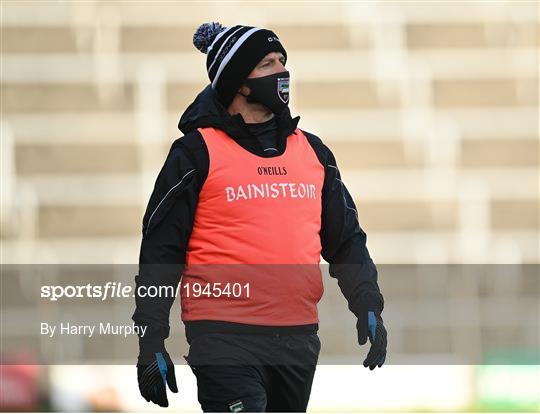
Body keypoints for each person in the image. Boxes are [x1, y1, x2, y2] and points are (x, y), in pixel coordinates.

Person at [132, 22, 387, 412]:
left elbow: (346, 239)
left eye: (283, 61)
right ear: (239, 81)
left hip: (297, 338)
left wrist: (368, 302)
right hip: (223, 337)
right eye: (268, 63)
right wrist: (151, 339)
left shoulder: (313, 153)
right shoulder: (195, 154)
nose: (282, 72)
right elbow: (161, 253)